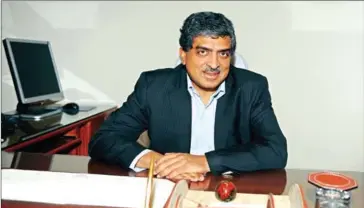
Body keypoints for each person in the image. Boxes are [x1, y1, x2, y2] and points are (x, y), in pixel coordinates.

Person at [88, 11, 287, 182]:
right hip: (170, 184)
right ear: (183, 54)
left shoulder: (251, 87)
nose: (214, 64)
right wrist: (158, 162)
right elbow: (104, 139)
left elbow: (275, 151)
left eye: (223, 54)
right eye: (203, 52)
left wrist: (203, 162)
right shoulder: (154, 86)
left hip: (229, 189)